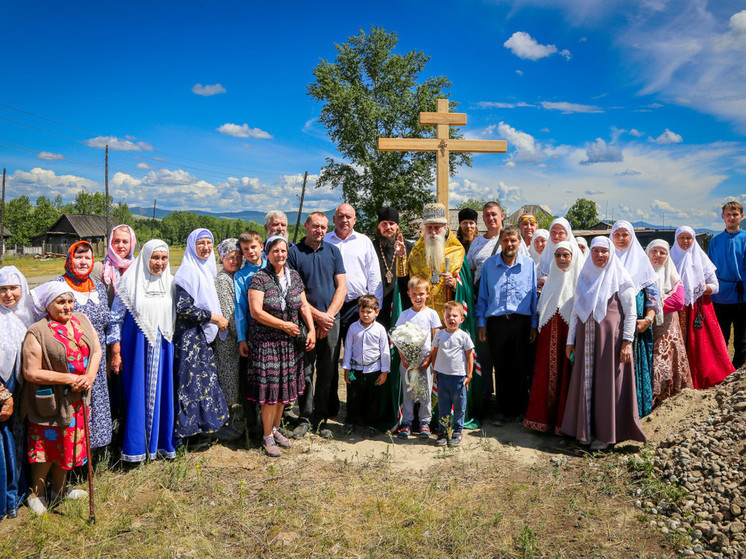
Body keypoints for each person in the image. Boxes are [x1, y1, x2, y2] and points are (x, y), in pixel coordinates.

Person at [21, 282, 102, 515]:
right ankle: (36, 493)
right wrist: (68, 378)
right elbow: (31, 372)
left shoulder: (81, 320)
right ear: (48, 305)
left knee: (68, 446)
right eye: (60, 302)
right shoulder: (38, 331)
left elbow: (96, 350)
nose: (67, 307)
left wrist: (90, 376)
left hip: (78, 400)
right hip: (52, 403)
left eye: (70, 301)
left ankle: (60, 489)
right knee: (47, 448)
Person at [561, 237, 647, 450]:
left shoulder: (621, 279)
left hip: (610, 343)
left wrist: (627, 342)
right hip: (586, 342)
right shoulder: (584, 278)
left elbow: (630, 313)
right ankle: (585, 431)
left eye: (604, 251)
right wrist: (570, 341)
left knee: (607, 385)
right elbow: (575, 313)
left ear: (611, 254)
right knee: (585, 382)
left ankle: (605, 434)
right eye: (596, 251)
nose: (600, 255)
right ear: (590, 254)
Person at [247, 236, 315, 457]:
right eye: (275, 251)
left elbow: (303, 305)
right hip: (267, 344)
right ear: (267, 253)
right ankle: (266, 435)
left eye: (283, 251)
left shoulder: (294, 276)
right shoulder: (259, 278)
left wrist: (312, 329)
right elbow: (256, 312)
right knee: (270, 392)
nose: (280, 255)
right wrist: (283, 324)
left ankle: (275, 429)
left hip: (289, 344)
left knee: (284, 390)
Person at [111, 240, 176, 463]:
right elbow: (115, 318)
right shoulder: (129, 283)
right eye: (155, 257)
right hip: (137, 345)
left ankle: (159, 445)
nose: (159, 263)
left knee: (162, 392)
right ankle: (136, 447)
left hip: (163, 346)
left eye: (164, 258)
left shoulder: (171, 283)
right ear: (145, 257)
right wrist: (115, 350)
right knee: (136, 393)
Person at [287, 212, 346, 439]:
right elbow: (294, 292)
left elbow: (341, 287)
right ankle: (304, 418)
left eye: (323, 227)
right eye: (315, 226)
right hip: (304, 323)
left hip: (332, 321)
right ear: (306, 226)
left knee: (327, 371)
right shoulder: (293, 253)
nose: (319, 230)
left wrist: (328, 316)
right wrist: (317, 318)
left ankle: (321, 419)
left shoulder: (333, 252)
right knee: (305, 371)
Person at [53, 241, 113, 450]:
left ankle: (92, 454)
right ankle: (71, 456)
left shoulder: (98, 287)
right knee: (73, 405)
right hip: (71, 360)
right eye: (78, 257)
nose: (83, 261)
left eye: (87, 257)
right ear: (69, 259)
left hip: (98, 358)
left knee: (96, 403)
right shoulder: (58, 286)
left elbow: (108, 322)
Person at [172, 229, 230, 445]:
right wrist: (213, 317)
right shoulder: (187, 271)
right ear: (191, 246)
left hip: (201, 336)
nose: (205, 247)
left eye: (209, 243)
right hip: (189, 338)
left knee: (203, 383)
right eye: (200, 243)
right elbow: (183, 308)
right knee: (190, 385)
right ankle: (187, 434)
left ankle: (203, 428)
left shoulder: (206, 269)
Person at [475, 226, 538, 424]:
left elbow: (534, 297)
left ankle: (519, 411)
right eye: (505, 240)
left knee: (520, 367)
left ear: (519, 243)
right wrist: (481, 322)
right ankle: (502, 411)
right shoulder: (489, 265)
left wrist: (534, 324)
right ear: (500, 242)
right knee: (500, 367)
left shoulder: (529, 265)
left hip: (521, 322)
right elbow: (483, 297)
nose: (509, 244)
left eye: (513, 241)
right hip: (496, 323)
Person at [523, 240, 582, 434]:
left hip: (569, 336)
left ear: (573, 257)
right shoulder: (550, 282)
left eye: (566, 255)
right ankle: (542, 421)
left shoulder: (580, 282)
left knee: (567, 377)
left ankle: (564, 424)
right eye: (558, 255)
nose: (562, 259)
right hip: (548, 338)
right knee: (545, 375)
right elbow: (542, 309)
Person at [671, 226, 734, 389]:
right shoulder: (670, 259)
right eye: (682, 238)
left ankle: (703, 376)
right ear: (676, 239)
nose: (685, 241)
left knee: (700, 345)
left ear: (693, 240)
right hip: (676, 309)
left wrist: (697, 288)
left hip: (699, 309)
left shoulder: (701, 259)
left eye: (688, 238)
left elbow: (715, 287)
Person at [611, 220, 660, 419]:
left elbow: (654, 298)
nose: (621, 239)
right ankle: (612, 413)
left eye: (625, 235)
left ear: (632, 238)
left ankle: (634, 413)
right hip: (611, 329)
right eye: (617, 235)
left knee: (634, 368)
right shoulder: (606, 259)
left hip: (637, 328)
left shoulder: (642, 264)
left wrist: (648, 319)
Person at [0, 266, 35, 520]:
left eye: (13, 288)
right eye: (2, 289)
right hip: (4, 388)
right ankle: (7, 497)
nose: (9, 294)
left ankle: (20, 491)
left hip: (24, 387)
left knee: (20, 436)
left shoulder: (28, 315)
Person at [645, 240, 692, 405]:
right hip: (646, 327)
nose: (658, 255)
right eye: (654, 251)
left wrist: (650, 306)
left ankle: (666, 397)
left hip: (666, 328)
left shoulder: (672, 275)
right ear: (648, 252)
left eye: (662, 252)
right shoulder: (641, 274)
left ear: (667, 255)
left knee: (663, 361)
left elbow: (678, 302)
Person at [394, 276, 442, 439]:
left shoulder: (432, 314)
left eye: (421, 293)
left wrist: (430, 360)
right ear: (408, 294)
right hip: (407, 362)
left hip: (425, 361)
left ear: (428, 293)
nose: (418, 297)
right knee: (409, 391)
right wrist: (404, 359)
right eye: (414, 294)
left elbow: (436, 339)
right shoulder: (405, 315)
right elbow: (398, 338)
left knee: (425, 393)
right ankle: (407, 422)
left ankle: (424, 422)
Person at [341, 295, 390, 435]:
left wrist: (384, 371)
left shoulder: (380, 329)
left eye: (369, 312)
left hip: (374, 369)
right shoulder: (353, 328)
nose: (366, 315)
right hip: (356, 369)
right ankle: (351, 421)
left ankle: (371, 424)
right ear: (359, 311)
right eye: (363, 311)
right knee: (353, 397)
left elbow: (385, 350)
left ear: (377, 312)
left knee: (372, 398)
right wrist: (346, 368)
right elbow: (348, 348)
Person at [430, 300, 474, 447]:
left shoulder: (464, 336)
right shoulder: (439, 335)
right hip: (443, 377)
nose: (451, 319)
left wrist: (469, 375)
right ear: (443, 318)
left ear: (461, 319)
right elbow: (434, 353)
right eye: (448, 316)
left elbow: (469, 356)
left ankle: (457, 431)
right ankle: (442, 431)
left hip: (459, 378)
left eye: (455, 316)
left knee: (460, 406)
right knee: (443, 406)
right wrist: (435, 370)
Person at [708, 201, 746, 368]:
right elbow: (709, 268)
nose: (731, 217)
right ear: (723, 216)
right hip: (720, 296)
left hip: (742, 294)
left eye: (735, 214)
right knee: (720, 336)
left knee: (741, 338)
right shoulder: (715, 242)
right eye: (728, 214)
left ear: (741, 216)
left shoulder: (745, 239)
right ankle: (721, 368)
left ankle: (738, 368)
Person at [213, 238, 244, 439]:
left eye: (238, 257)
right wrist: (241, 335)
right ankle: (226, 421)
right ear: (222, 258)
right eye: (231, 257)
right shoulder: (223, 279)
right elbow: (228, 312)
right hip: (229, 338)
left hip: (237, 336)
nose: (235, 261)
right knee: (228, 377)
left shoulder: (235, 276)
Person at [373, 207, 412, 330]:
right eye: (384, 224)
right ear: (379, 227)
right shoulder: (371, 247)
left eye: (391, 224)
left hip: (402, 300)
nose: (388, 227)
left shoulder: (409, 247)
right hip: (379, 302)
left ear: (397, 226)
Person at [92, 224, 136, 305]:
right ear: (111, 243)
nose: (120, 245)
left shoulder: (137, 269)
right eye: (116, 241)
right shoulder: (98, 268)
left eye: (125, 242)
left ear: (131, 244)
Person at [537, 217, 579, 285]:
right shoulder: (545, 255)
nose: (556, 236)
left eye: (561, 233)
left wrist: (550, 280)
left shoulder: (575, 255)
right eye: (553, 232)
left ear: (567, 234)